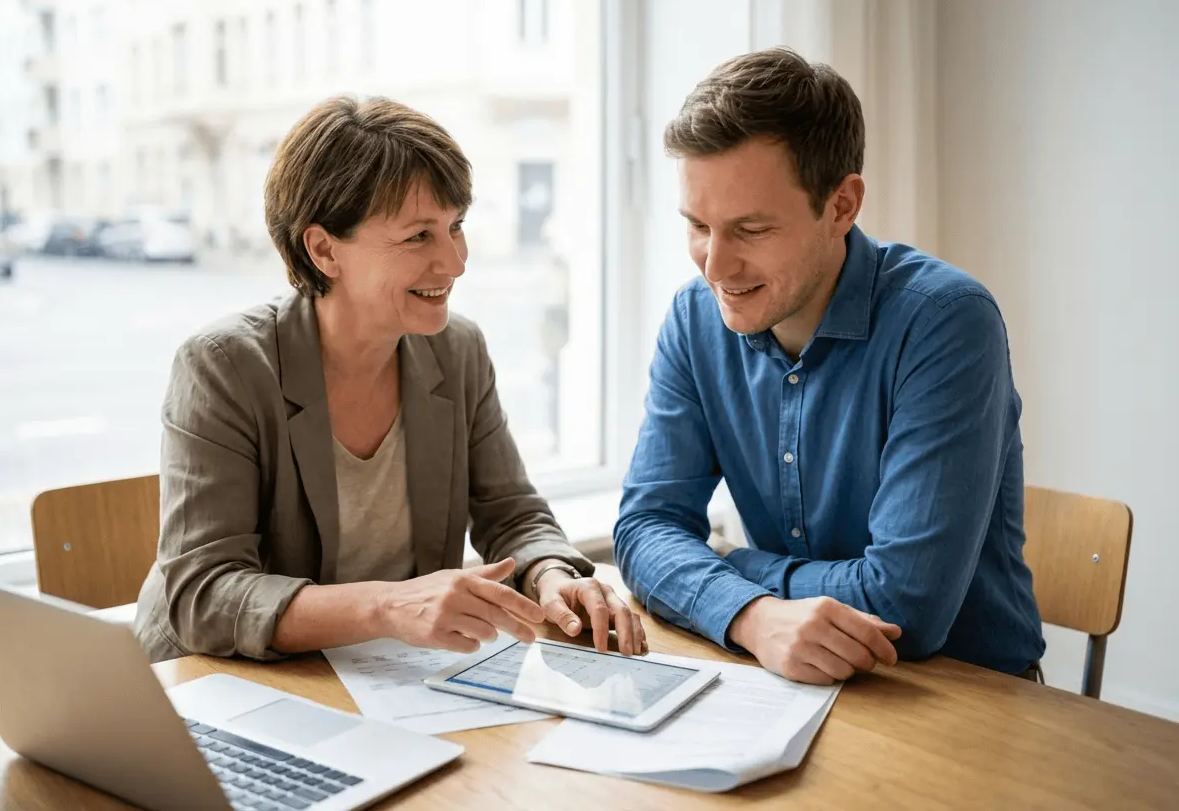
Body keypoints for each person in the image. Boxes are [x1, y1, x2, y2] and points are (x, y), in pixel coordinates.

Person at [134, 96, 646, 663]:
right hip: (219, 681)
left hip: (383, 677)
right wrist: (387, 607)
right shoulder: (224, 366)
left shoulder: (457, 350)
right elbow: (202, 594)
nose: (454, 262)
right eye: (418, 237)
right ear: (325, 249)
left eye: (456, 227)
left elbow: (512, 513)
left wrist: (551, 574)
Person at [614, 47, 1045, 685]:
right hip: (785, 681)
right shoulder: (695, 317)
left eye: (751, 229)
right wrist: (753, 616)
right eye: (699, 225)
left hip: (961, 696)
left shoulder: (947, 321)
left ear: (841, 206)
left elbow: (906, 606)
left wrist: (732, 564)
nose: (715, 267)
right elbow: (645, 528)